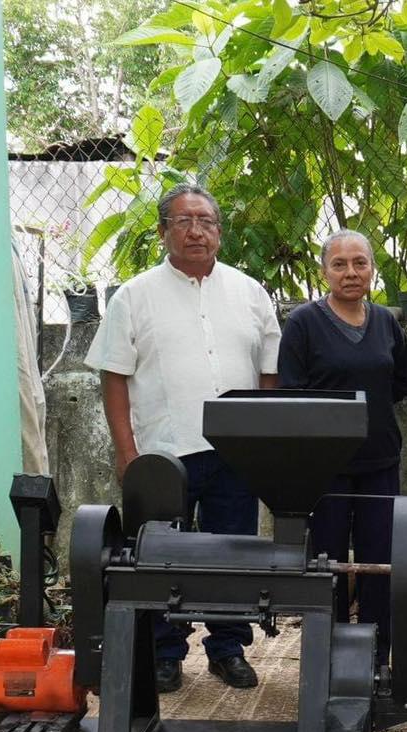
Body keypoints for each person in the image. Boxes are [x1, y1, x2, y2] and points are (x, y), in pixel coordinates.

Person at [85, 183, 281, 693]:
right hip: (162, 453)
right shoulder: (135, 296)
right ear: (162, 231)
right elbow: (114, 378)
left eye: (207, 221)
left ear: (219, 230)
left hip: (236, 453)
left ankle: (228, 648)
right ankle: (166, 653)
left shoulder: (249, 291)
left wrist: (263, 446)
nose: (197, 231)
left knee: (231, 552)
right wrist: (127, 453)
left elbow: (269, 375)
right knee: (159, 556)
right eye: (183, 221)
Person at [278, 230, 407, 666]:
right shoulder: (303, 324)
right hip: (326, 467)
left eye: (360, 263)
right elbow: (292, 392)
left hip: (379, 461)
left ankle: (376, 656)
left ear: (372, 268)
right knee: (327, 564)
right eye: (339, 264)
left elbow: (401, 382)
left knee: (380, 563)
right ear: (324, 272)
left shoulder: (387, 322)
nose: (351, 273)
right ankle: (327, 657)